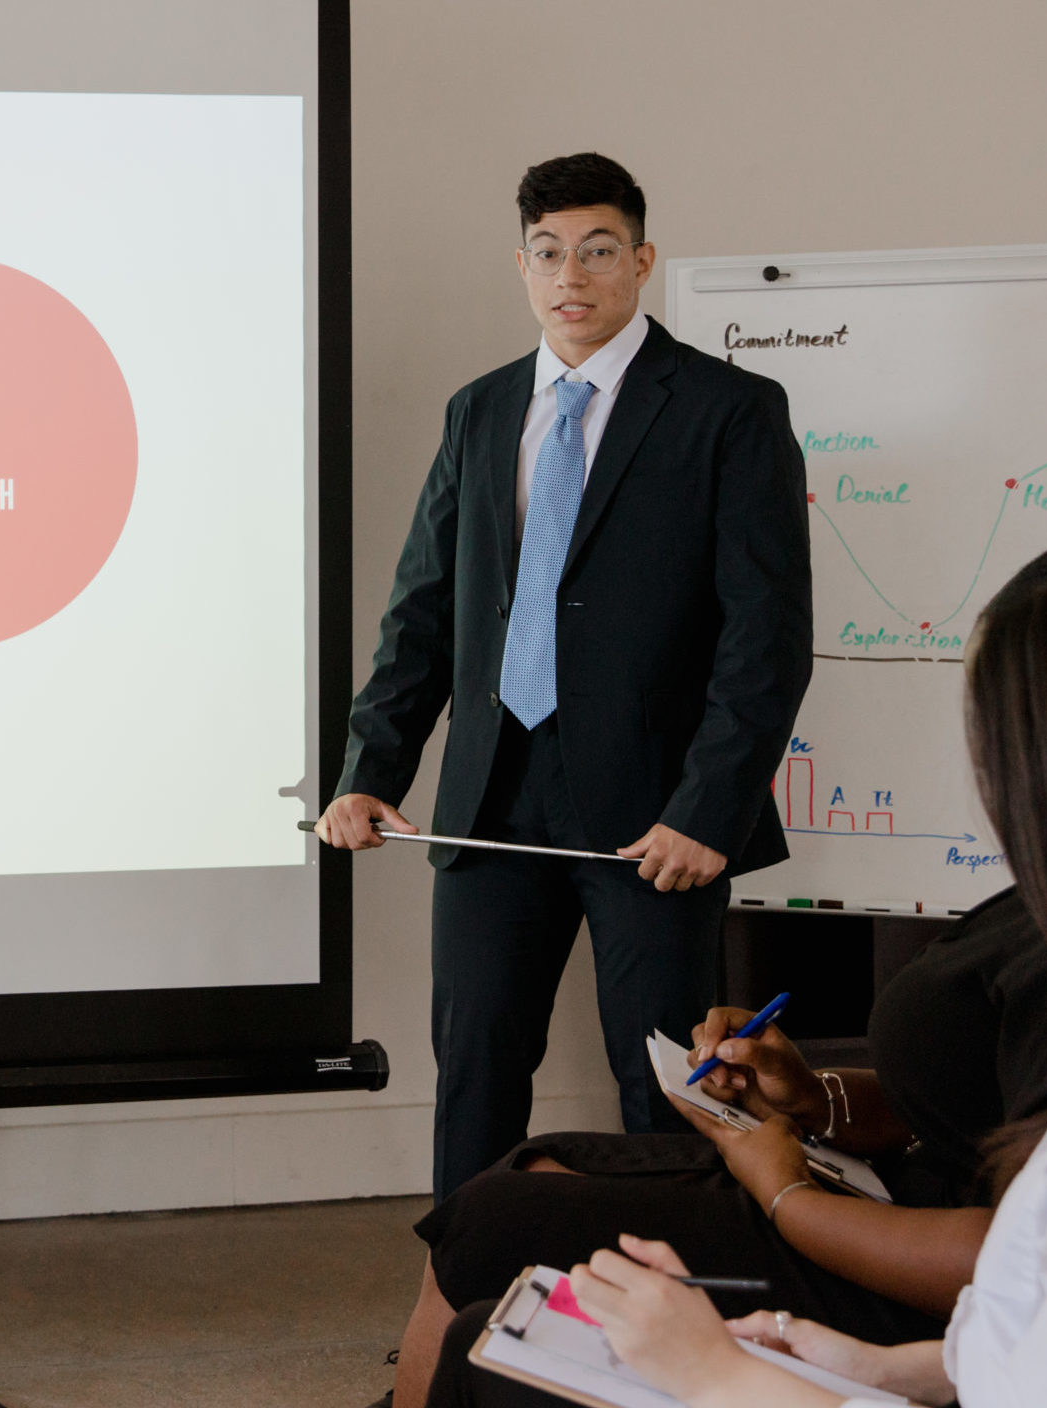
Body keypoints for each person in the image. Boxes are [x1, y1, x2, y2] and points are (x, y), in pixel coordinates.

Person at [428, 539, 1047, 1407]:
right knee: (497, 1329)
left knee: (503, 1345)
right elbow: (1028, 1326)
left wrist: (718, 1372)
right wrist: (864, 1365)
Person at [316, 152, 812, 1200]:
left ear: (640, 261)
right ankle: (464, 1311)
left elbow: (764, 635)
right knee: (477, 1072)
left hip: (658, 820)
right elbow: (423, 611)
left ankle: (674, 1312)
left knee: (667, 1086)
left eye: (595, 251)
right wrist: (374, 769)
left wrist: (708, 810)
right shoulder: (482, 410)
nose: (569, 275)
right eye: (547, 253)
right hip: (493, 797)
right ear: (521, 265)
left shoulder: (728, 409)